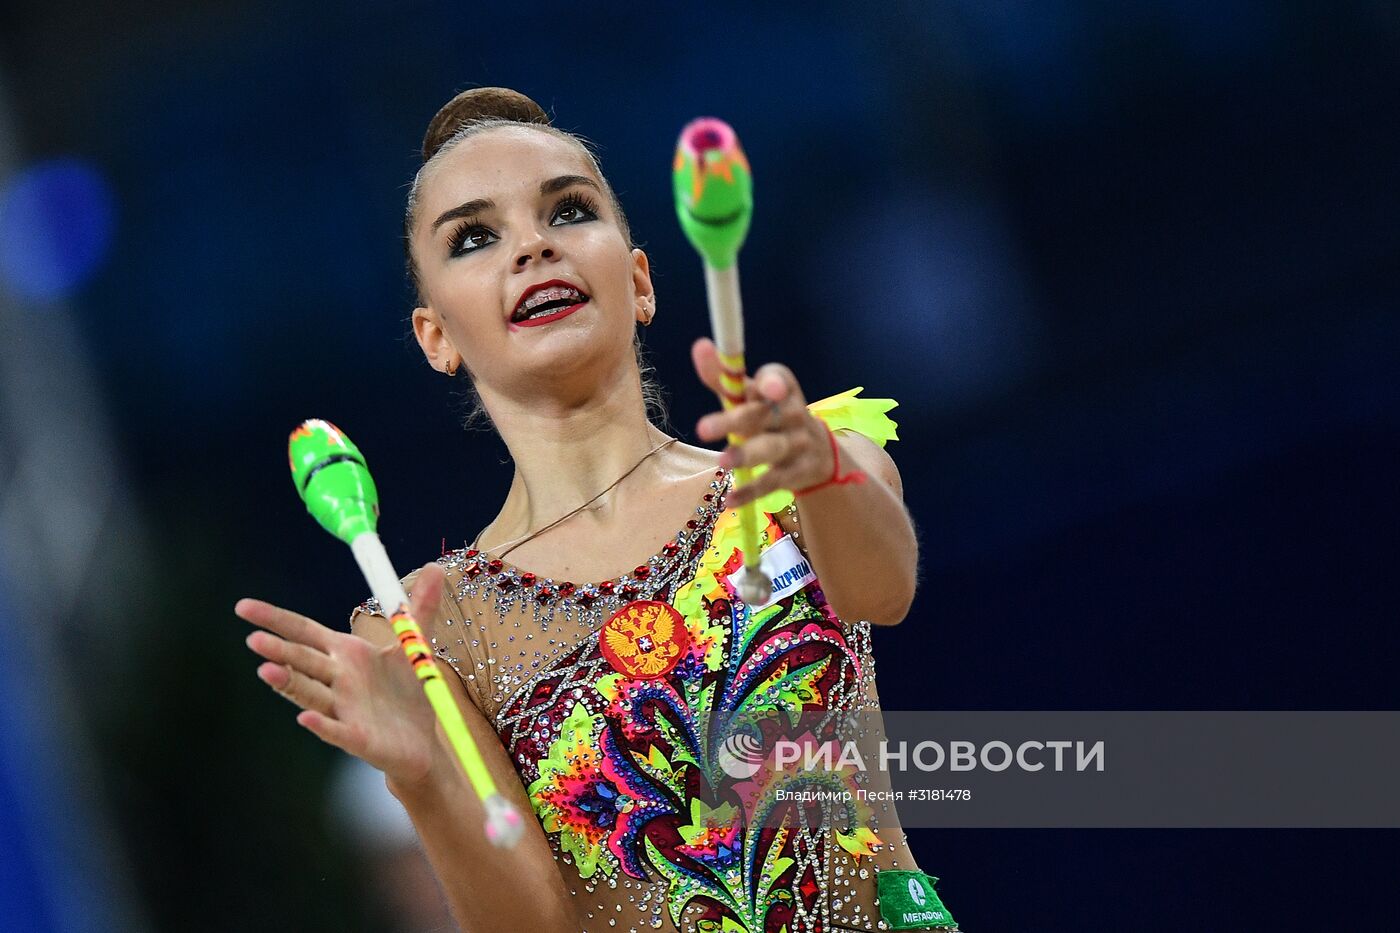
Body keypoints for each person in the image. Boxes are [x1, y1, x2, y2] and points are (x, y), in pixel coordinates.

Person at [236, 87, 958, 933]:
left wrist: (825, 469)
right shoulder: (431, 626)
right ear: (437, 337)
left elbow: (884, 590)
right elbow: (533, 924)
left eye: (568, 211)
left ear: (640, 279)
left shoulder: (795, 461)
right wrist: (423, 778)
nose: (533, 247)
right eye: (475, 237)